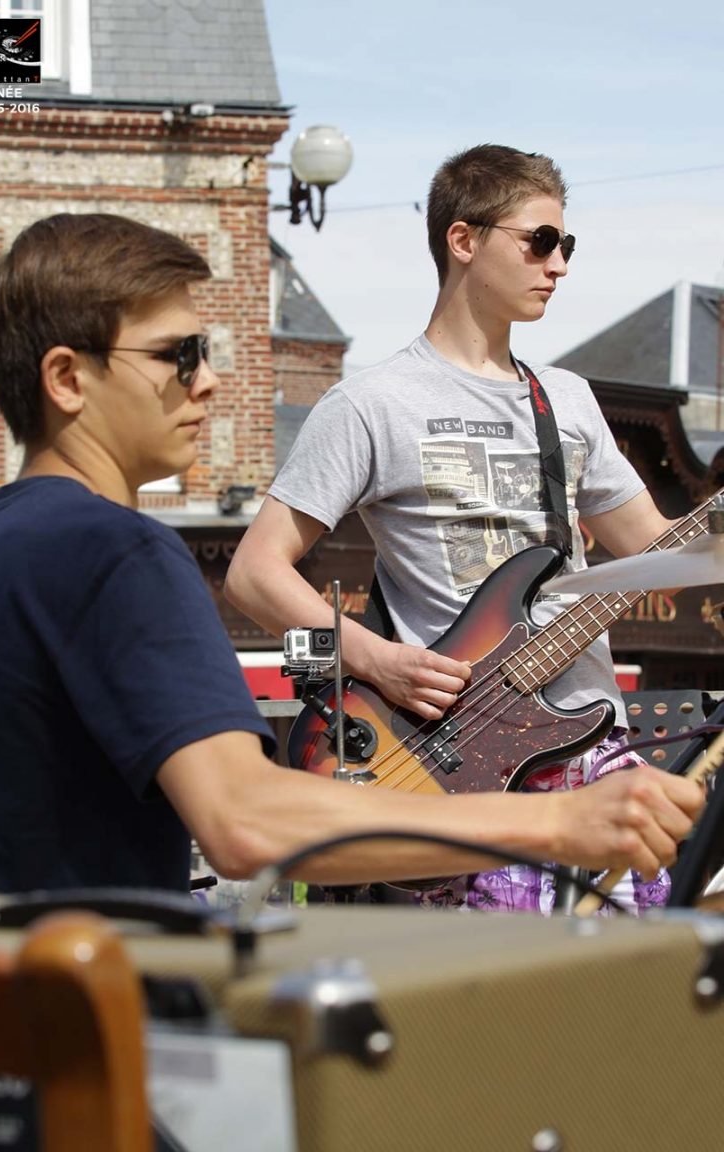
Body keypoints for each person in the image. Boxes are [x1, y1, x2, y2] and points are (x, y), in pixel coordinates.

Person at [0, 211, 700, 897]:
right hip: (95, 989)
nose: (208, 380)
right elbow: (245, 819)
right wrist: (559, 821)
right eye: (177, 355)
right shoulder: (121, 553)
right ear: (67, 379)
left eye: (203, 352)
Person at [225, 144, 688, 914]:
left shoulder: (568, 400)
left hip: (590, 747)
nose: (559, 264)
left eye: (567, 245)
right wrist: (382, 662)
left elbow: (656, 550)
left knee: (631, 975)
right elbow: (254, 574)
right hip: (457, 766)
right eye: (540, 241)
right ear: (464, 240)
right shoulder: (371, 403)